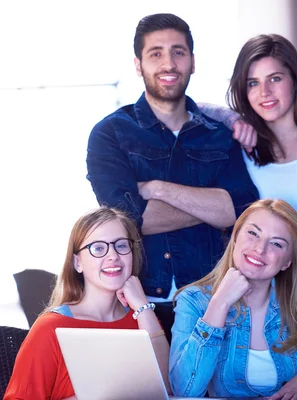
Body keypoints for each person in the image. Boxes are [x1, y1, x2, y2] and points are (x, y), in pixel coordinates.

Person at [86, 13, 259, 339]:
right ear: (138, 64)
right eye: (156, 53)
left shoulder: (220, 135)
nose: (169, 63)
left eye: (178, 52)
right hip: (135, 302)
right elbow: (128, 220)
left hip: (213, 301)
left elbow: (242, 211)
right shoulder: (110, 134)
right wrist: (212, 207)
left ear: (192, 61)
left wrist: (158, 189)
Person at [200, 33, 297, 316]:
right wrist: (233, 118)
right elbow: (195, 109)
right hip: (265, 310)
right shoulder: (243, 146)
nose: (264, 93)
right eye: (253, 83)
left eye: (275, 79)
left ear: (295, 80)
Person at [170, 199, 297, 398]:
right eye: (253, 233)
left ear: (287, 262)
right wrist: (220, 303)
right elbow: (184, 391)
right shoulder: (192, 301)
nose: (260, 249)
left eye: (277, 243)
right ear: (235, 238)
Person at [3, 207, 170, 400]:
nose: (113, 255)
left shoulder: (142, 319)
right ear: (77, 263)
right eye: (98, 248)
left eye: (121, 245)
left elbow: (166, 389)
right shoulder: (50, 328)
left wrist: (143, 308)